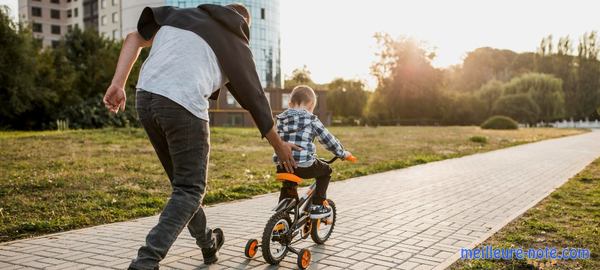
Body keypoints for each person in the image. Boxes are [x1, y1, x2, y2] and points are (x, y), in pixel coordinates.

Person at [103, 4, 300, 270]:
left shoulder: (180, 16)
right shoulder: (235, 41)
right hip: (182, 103)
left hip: (145, 96)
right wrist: (280, 145)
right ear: (243, 24)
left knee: (183, 188)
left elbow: (133, 38)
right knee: (190, 190)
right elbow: (255, 101)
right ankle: (146, 261)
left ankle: (208, 244)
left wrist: (117, 83)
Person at [273, 85, 352, 218]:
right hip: (304, 165)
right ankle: (318, 205)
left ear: (290, 103)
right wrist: (342, 153)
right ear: (310, 105)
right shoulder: (311, 119)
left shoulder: (280, 119)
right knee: (326, 171)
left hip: (283, 164)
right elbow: (328, 139)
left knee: (289, 185)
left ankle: (281, 216)